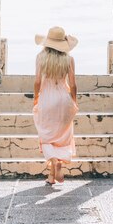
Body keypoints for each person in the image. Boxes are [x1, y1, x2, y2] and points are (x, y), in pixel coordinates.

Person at [33, 26, 78, 185]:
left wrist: (36, 98)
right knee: (62, 138)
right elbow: (73, 84)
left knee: (46, 136)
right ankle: (52, 175)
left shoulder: (41, 57)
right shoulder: (69, 59)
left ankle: (53, 160)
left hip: (47, 98)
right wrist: (74, 101)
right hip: (64, 99)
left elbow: (38, 82)